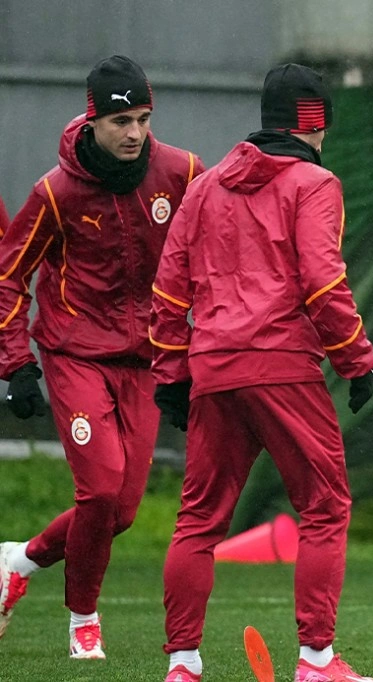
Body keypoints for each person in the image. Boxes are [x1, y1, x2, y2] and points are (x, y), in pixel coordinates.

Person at [150, 64, 373, 682]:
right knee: (324, 507)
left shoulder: (204, 187)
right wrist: (356, 359)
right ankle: (316, 661)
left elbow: (168, 289)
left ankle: (182, 665)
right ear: (315, 122)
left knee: (198, 520)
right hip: (282, 368)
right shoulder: (315, 183)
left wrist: (170, 374)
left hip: (212, 367)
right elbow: (322, 281)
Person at [0, 55, 204, 659]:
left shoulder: (182, 172)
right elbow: (10, 276)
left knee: (121, 511)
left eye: (143, 119)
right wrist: (16, 362)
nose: (134, 133)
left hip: (145, 361)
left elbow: (220, 238)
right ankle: (82, 618)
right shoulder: (55, 193)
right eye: (121, 121)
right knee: (100, 490)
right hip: (75, 354)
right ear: (92, 121)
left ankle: (18, 561)